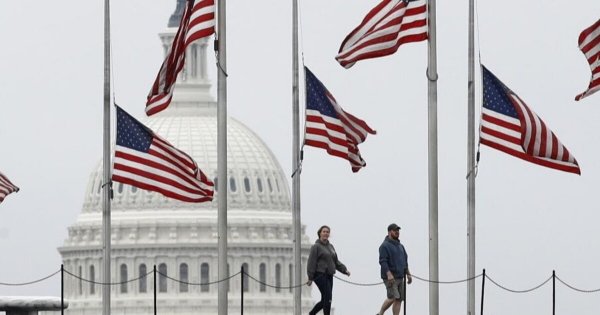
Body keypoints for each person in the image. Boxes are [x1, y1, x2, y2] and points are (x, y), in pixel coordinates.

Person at [306, 225, 350, 315]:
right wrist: (310, 277)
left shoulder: (331, 247)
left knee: (325, 299)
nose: (326, 233)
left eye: (327, 232)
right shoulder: (316, 247)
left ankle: (311, 313)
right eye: (324, 232)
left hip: (329, 275)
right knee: (328, 298)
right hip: (320, 275)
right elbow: (311, 262)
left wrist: (344, 270)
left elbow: (336, 261)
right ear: (320, 233)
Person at [377, 223, 412, 315]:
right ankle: (380, 313)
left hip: (400, 277)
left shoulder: (401, 246)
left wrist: (408, 274)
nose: (397, 232)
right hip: (391, 278)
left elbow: (405, 261)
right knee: (392, 297)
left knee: (399, 299)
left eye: (398, 230)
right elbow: (383, 261)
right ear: (389, 232)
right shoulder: (384, 246)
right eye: (395, 230)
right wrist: (389, 274)